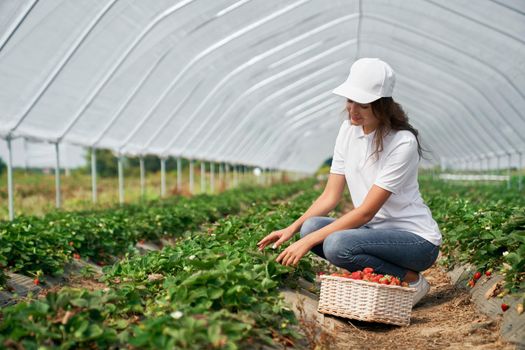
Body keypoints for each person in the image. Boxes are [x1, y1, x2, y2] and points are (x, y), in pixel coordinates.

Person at [257, 58, 442, 306]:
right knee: (311, 227)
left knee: (335, 244)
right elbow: (330, 197)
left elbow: (365, 212)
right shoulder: (348, 131)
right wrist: (292, 230)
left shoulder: (402, 142)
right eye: (350, 100)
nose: (352, 110)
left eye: (362, 105)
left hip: (415, 241)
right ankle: (379, 273)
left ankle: (411, 280)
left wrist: (307, 244)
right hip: (374, 234)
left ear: (382, 106)